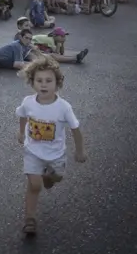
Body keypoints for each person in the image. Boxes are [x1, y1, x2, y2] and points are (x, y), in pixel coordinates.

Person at [16, 56, 86, 235]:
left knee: (57, 178)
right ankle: (29, 219)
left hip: (56, 154)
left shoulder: (63, 107)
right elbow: (23, 115)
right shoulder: (28, 102)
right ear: (32, 82)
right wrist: (21, 131)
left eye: (49, 80)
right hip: (32, 150)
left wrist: (79, 151)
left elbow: (75, 129)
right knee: (34, 185)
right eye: (39, 81)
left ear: (57, 83)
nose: (44, 85)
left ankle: (49, 177)